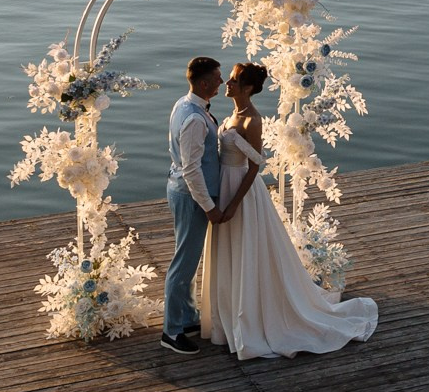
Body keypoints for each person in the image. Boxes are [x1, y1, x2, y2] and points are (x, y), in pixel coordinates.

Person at [198, 60, 378, 358]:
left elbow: (255, 166)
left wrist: (231, 205)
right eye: (227, 79)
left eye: (233, 80)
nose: (227, 84)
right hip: (225, 184)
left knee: (247, 249)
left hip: (242, 191)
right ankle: (225, 318)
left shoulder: (251, 121)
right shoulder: (232, 115)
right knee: (229, 250)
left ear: (248, 88)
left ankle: (254, 318)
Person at [160, 55, 229, 355]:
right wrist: (209, 206)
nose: (222, 82)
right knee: (184, 264)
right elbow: (191, 169)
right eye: (217, 77)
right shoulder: (193, 118)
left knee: (188, 259)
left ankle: (186, 317)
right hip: (190, 196)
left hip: (183, 191)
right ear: (204, 83)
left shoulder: (183, 105)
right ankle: (171, 331)